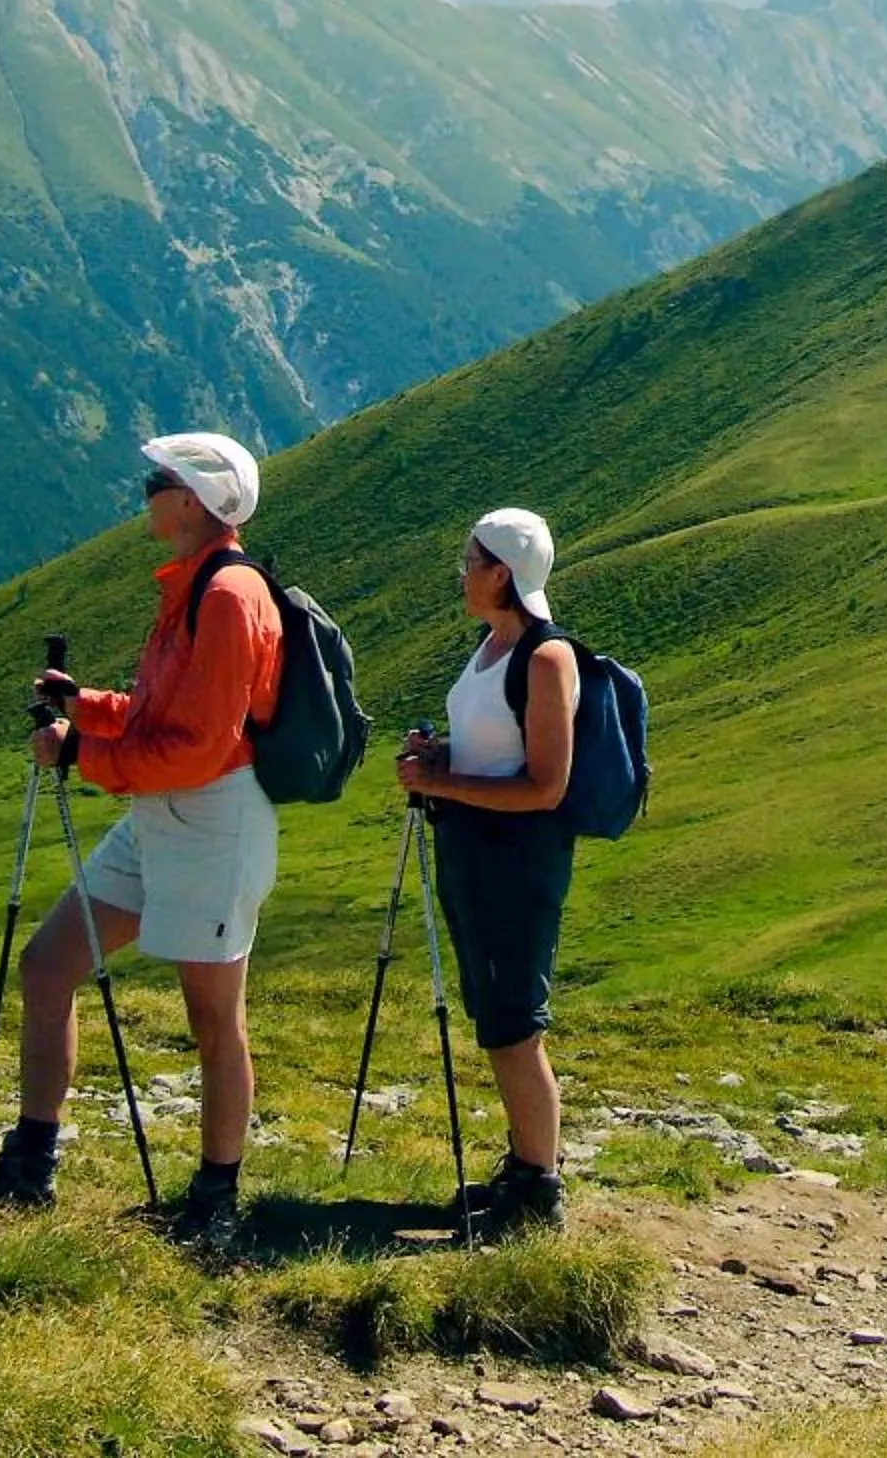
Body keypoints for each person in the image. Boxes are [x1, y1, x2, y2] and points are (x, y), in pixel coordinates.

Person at [0, 431, 282, 1253]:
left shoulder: (227, 597)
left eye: (159, 479)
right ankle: (31, 1161)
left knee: (215, 1018)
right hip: (164, 812)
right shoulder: (194, 586)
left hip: (211, 818)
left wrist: (82, 750)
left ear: (195, 499)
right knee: (49, 964)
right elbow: (163, 713)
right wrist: (91, 705)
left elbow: (202, 745)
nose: (147, 490)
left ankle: (216, 1199)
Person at [395, 506, 580, 1236]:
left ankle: (540, 1188)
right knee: (497, 1014)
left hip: (517, 859)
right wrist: (440, 761)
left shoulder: (544, 657)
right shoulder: (494, 647)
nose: (463, 575)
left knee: (514, 1024)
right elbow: (495, 755)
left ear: (502, 572)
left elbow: (546, 786)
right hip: (473, 849)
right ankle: (525, 1168)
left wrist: (439, 784)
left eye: (471, 563)